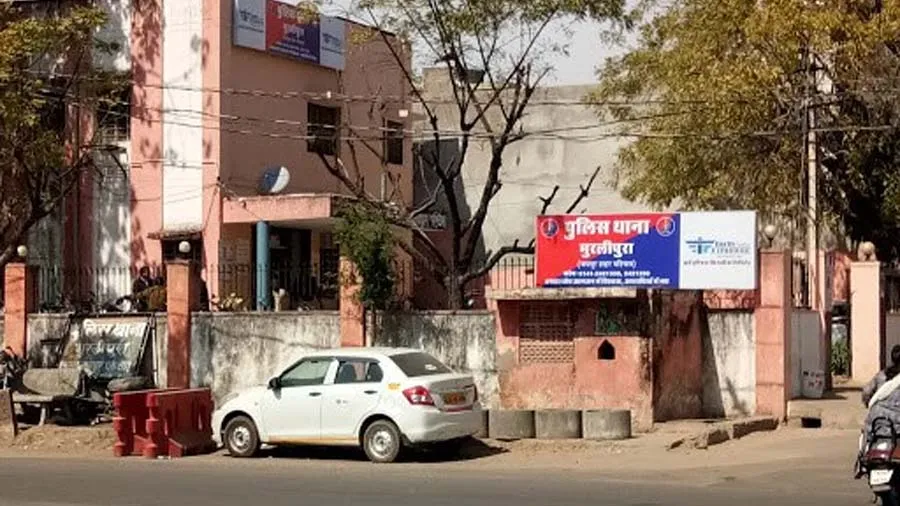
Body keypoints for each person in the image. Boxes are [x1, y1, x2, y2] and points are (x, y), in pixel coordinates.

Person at [856, 345, 900, 475]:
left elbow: (866, 392)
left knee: (866, 435)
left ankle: (861, 462)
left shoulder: (882, 375)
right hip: (897, 424)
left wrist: (870, 404)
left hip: (876, 420)